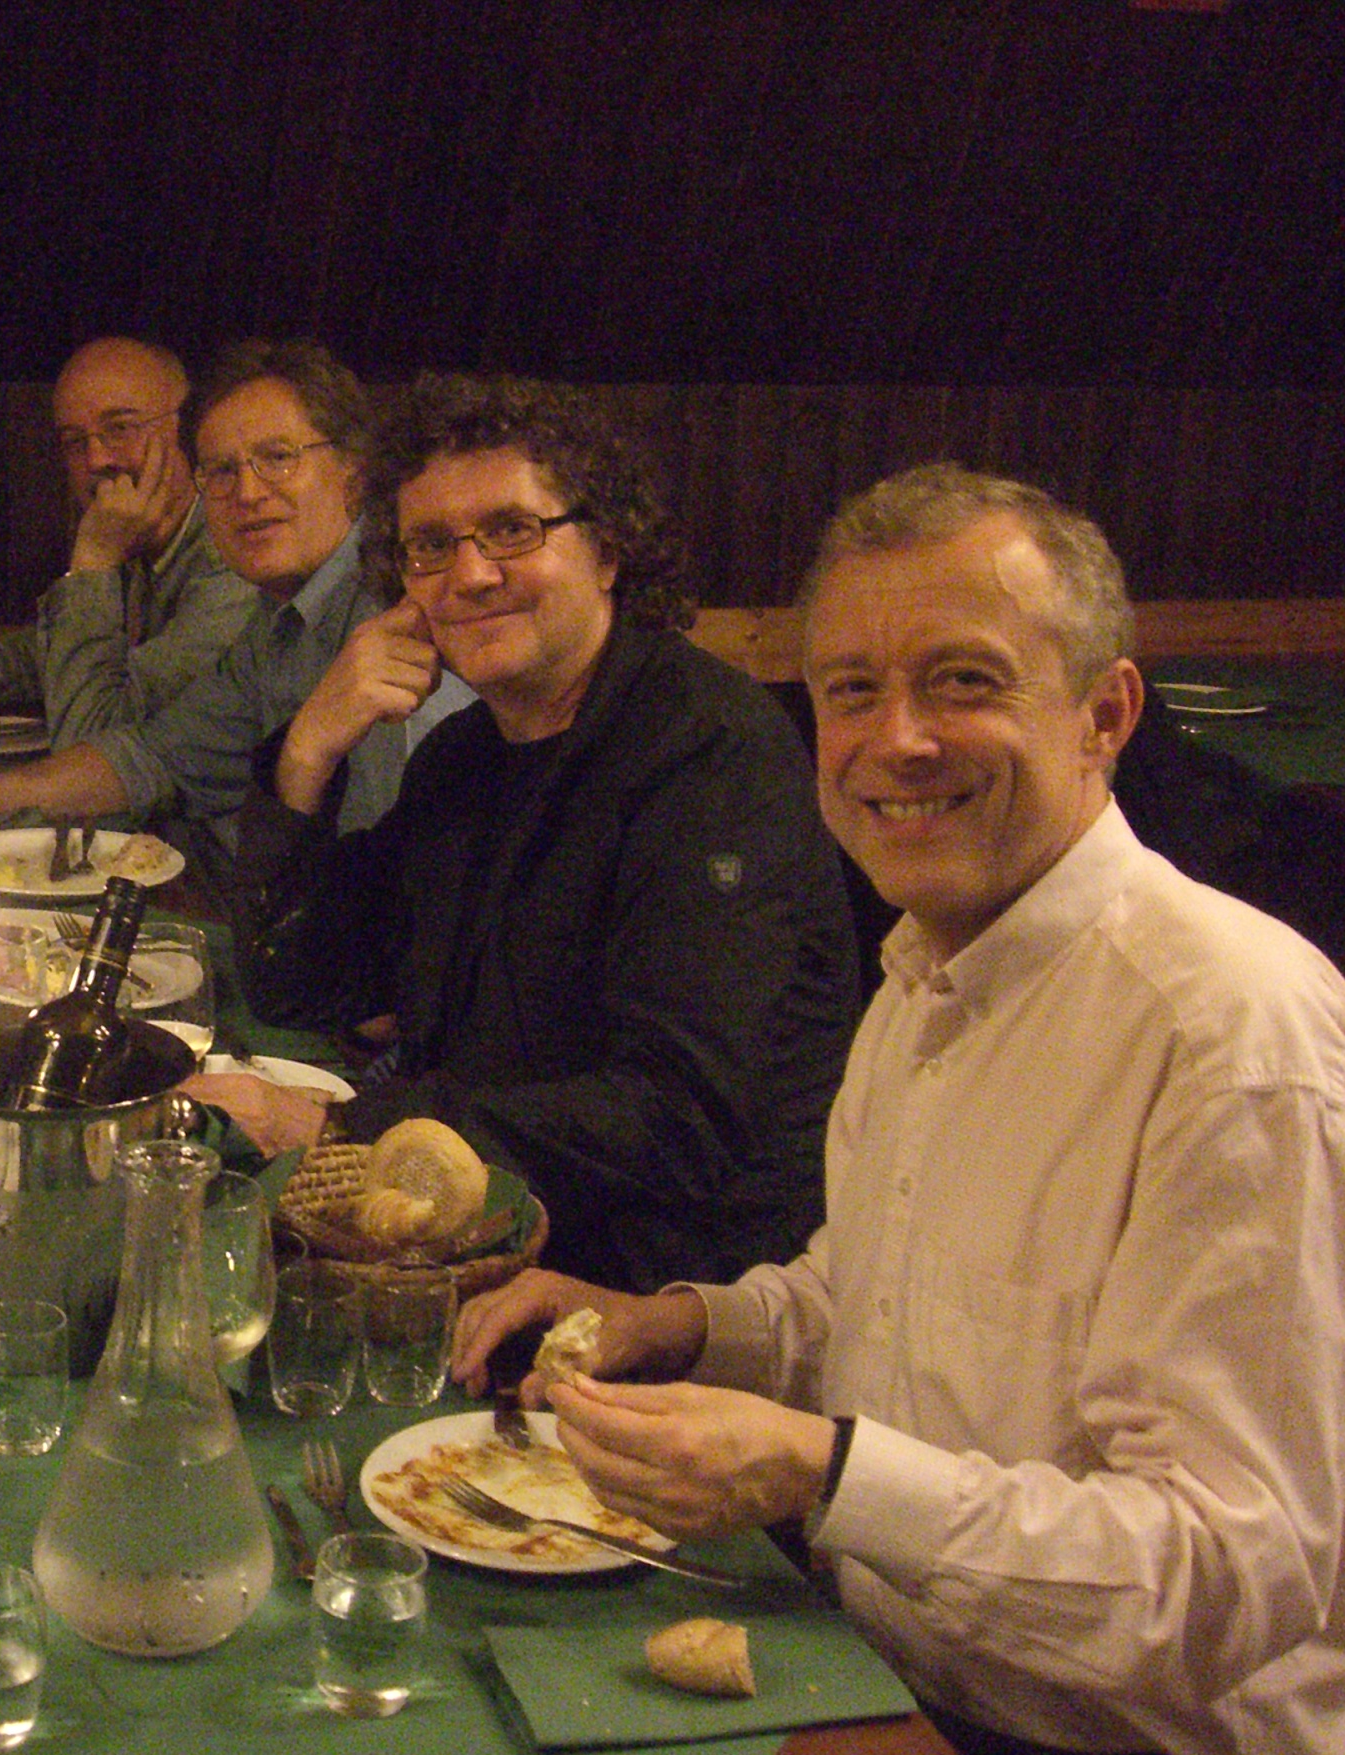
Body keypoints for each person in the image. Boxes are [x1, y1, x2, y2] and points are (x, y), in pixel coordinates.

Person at [452, 463, 1345, 1755]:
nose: (895, 741)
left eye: (963, 682)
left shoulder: (1234, 1038)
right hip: (918, 1685)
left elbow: (1222, 1582)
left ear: (1104, 714)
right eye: (852, 691)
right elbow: (871, 1302)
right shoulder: (934, 962)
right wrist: (680, 1324)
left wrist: (820, 1475)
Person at [210, 374, 860, 1286]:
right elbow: (302, 986)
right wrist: (308, 752)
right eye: (431, 546)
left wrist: (344, 1129)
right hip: (475, 1243)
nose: (471, 575)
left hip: (671, 1292)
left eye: (512, 530)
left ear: (607, 552)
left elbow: (678, 1118)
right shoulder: (464, 757)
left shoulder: (711, 752)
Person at [0, 339, 472, 868]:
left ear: (356, 472)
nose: (248, 492)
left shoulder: (397, 608)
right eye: (223, 471)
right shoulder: (279, 615)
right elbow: (160, 756)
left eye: (278, 458)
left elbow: (390, 876)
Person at [0, 336, 255, 751]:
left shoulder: (235, 561)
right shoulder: (140, 539)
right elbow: (58, 654)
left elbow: (90, 744)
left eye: (120, 428)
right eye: (76, 442)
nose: (96, 460)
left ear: (188, 431)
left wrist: (94, 560)